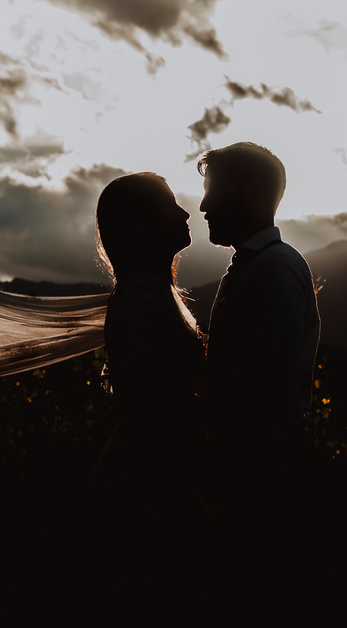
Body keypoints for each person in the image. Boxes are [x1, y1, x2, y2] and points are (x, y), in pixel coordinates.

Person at [197, 142, 321, 523]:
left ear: (250, 192)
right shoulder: (257, 266)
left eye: (212, 192)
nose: (203, 207)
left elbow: (273, 388)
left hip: (266, 473)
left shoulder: (275, 269)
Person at [90, 173, 207, 525]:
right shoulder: (143, 299)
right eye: (170, 205)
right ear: (145, 222)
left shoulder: (149, 291)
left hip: (151, 468)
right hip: (145, 478)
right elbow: (158, 406)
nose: (186, 214)